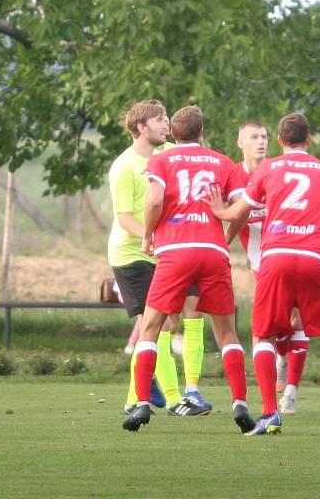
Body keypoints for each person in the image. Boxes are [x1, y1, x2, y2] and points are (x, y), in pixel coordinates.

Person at [209, 113, 320, 436]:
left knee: (264, 336)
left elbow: (237, 213)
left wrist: (219, 211)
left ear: (279, 141)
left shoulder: (268, 168)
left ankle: (271, 413)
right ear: (309, 139)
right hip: (315, 258)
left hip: (276, 258)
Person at [122, 106, 255, 434]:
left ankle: (141, 404)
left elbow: (154, 201)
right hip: (212, 253)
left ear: (174, 134)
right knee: (226, 332)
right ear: (202, 131)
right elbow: (242, 208)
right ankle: (240, 402)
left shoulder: (161, 160)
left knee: (151, 326)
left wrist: (147, 235)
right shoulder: (223, 162)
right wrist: (224, 236)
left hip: (174, 252)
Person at [107, 100, 210, 417]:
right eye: (159, 119)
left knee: (168, 320)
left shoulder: (170, 155)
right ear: (141, 127)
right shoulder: (124, 166)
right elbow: (124, 217)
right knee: (157, 323)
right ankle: (175, 398)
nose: (167, 123)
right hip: (132, 255)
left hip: (165, 252)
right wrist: (151, 238)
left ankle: (134, 396)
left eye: (167, 118)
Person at [226, 121, 309, 414]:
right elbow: (232, 214)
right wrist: (221, 242)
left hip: (288, 252)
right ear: (240, 142)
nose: (260, 142)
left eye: (264, 136)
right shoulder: (232, 176)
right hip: (260, 263)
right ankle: (277, 370)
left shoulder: (278, 169)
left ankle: (291, 391)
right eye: (253, 137)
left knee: (298, 319)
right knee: (272, 326)